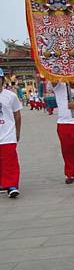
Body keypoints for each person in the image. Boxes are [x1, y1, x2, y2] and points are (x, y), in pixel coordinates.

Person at [0, 68, 22, 198]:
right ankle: (3, 182)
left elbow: (17, 115)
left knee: (10, 161)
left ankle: (12, 185)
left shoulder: (11, 96)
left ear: (2, 80)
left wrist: (17, 132)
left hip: (8, 134)